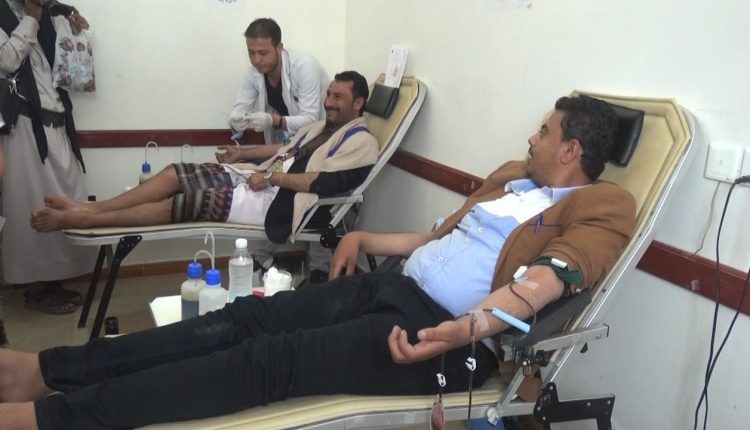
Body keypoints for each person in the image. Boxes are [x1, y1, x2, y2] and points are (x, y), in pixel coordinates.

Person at [0, 95, 636, 429]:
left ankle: (51, 418)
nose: (533, 137)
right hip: (396, 290)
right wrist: (365, 239)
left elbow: (549, 279)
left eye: (545, 131)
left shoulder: (603, 205)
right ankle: (48, 370)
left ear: (571, 149)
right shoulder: (512, 181)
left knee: (265, 363)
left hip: (445, 339)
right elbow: (437, 239)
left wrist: (468, 328)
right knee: (245, 320)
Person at [30, 71, 379, 245]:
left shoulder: (361, 142)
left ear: (359, 103)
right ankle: (90, 209)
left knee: (189, 202)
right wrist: (242, 155)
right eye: (329, 94)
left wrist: (271, 179)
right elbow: (281, 151)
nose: (328, 102)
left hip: (278, 202)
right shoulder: (320, 127)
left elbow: (321, 182)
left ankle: (83, 219)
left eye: (338, 97)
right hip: (259, 180)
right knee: (176, 173)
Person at [0, 0, 95, 314]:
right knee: (31, 204)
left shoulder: (51, 14)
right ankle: (38, 287)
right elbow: (5, 61)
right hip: (25, 128)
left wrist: (75, 30)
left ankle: (55, 280)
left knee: (68, 197)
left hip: (57, 124)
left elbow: (67, 70)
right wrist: (31, 18)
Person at [229, 17, 329, 145]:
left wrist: (274, 120)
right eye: (251, 53)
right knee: (266, 159)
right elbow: (240, 109)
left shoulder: (305, 67)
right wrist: (235, 122)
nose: (256, 60)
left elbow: (310, 119)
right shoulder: (253, 72)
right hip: (286, 144)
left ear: (279, 48)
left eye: (263, 53)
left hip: (320, 140)